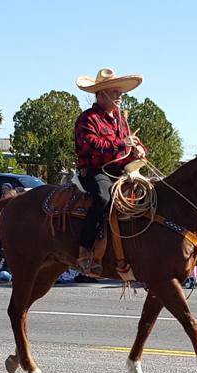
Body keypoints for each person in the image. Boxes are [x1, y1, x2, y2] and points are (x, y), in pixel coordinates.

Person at [74, 67, 146, 275]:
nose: (120, 96)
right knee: (103, 198)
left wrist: (139, 149)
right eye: (116, 92)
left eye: (120, 92)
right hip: (95, 171)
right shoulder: (87, 119)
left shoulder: (121, 120)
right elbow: (91, 145)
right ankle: (85, 250)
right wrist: (121, 143)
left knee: (145, 196)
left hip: (119, 171)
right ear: (102, 93)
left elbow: (130, 146)